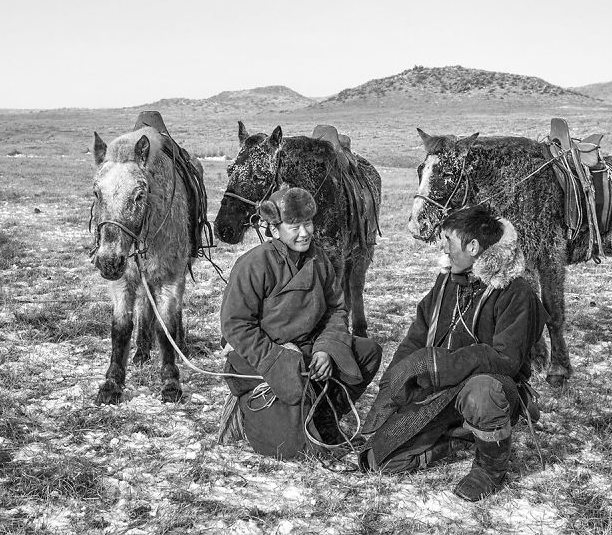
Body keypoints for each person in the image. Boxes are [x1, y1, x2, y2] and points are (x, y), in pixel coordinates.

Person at [359, 204, 549, 501]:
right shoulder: (445, 282)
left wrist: (436, 364)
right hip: (441, 392)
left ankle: (490, 468)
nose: (443, 248)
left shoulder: (516, 292)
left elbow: (505, 360)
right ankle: (456, 440)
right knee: (380, 460)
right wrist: (394, 385)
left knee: (483, 390)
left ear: (473, 247)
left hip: (491, 389)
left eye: (448, 240)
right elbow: (415, 340)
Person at [220, 186, 382, 459]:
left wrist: (326, 349)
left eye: (307, 223)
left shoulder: (319, 260)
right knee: (292, 448)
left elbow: (336, 310)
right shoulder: (254, 264)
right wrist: (282, 357)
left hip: (308, 350)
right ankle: (254, 410)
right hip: (262, 356)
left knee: (367, 353)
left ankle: (324, 416)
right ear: (274, 230)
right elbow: (236, 325)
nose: (304, 232)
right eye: (293, 225)